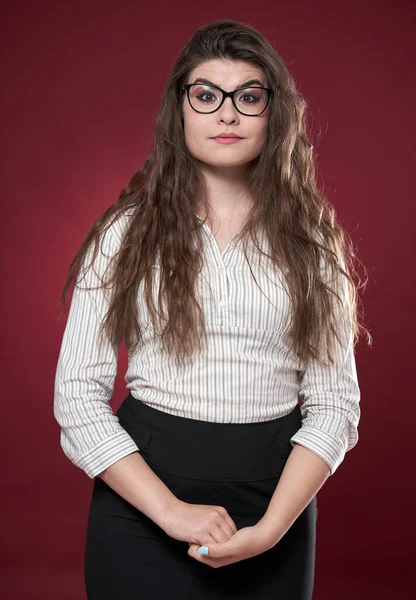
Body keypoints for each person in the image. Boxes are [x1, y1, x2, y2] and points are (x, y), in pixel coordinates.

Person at [53, 19, 369, 600]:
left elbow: (334, 406)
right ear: (180, 111)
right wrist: (171, 512)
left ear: (275, 115)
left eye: (248, 97)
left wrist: (272, 530)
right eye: (206, 95)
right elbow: (76, 395)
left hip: (274, 507)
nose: (227, 114)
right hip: (143, 502)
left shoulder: (316, 247)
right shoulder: (123, 235)